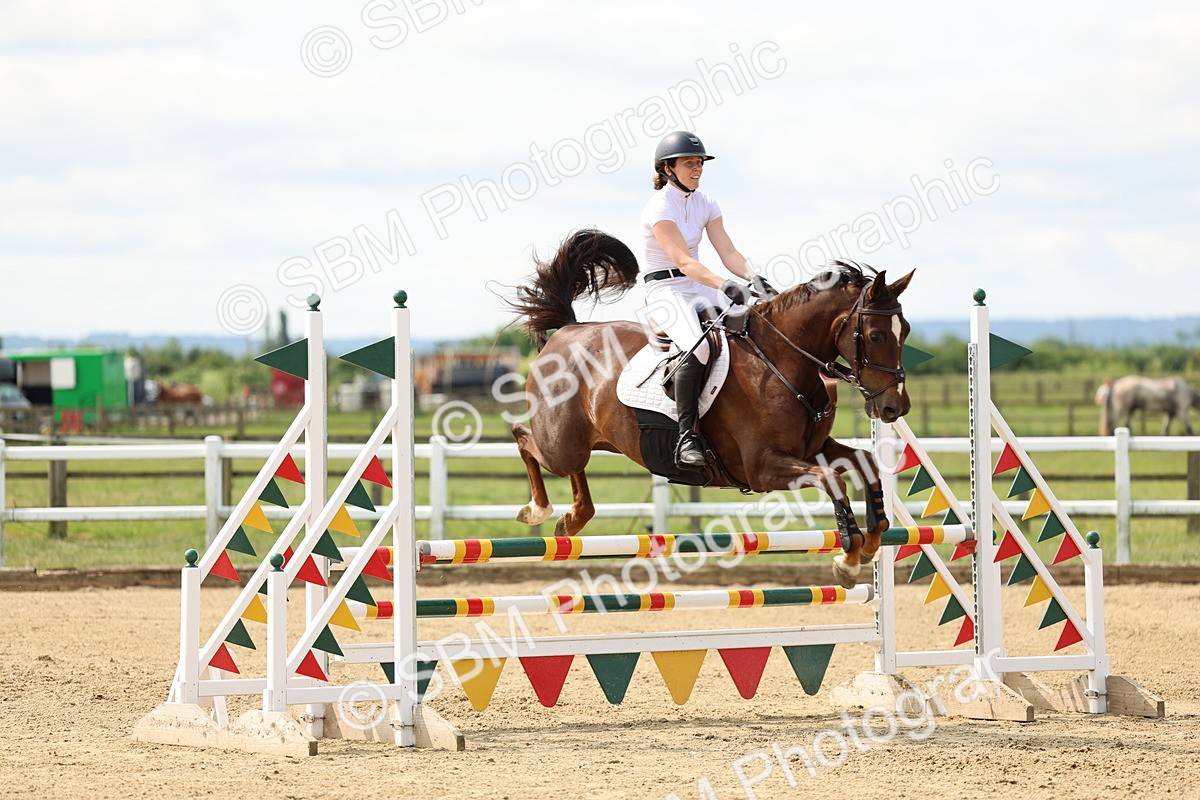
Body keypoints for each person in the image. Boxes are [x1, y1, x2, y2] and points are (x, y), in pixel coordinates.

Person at [639, 131, 776, 469]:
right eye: (690, 163)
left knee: (753, 322)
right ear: (668, 168)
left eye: (700, 162)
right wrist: (725, 284)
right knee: (698, 347)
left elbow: (727, 251)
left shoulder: (706, 203)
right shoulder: (659, 207)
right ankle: (687, 436)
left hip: (697, 286)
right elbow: (684, 262)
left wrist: (754, 278)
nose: (697, 168)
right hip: (665, 291)